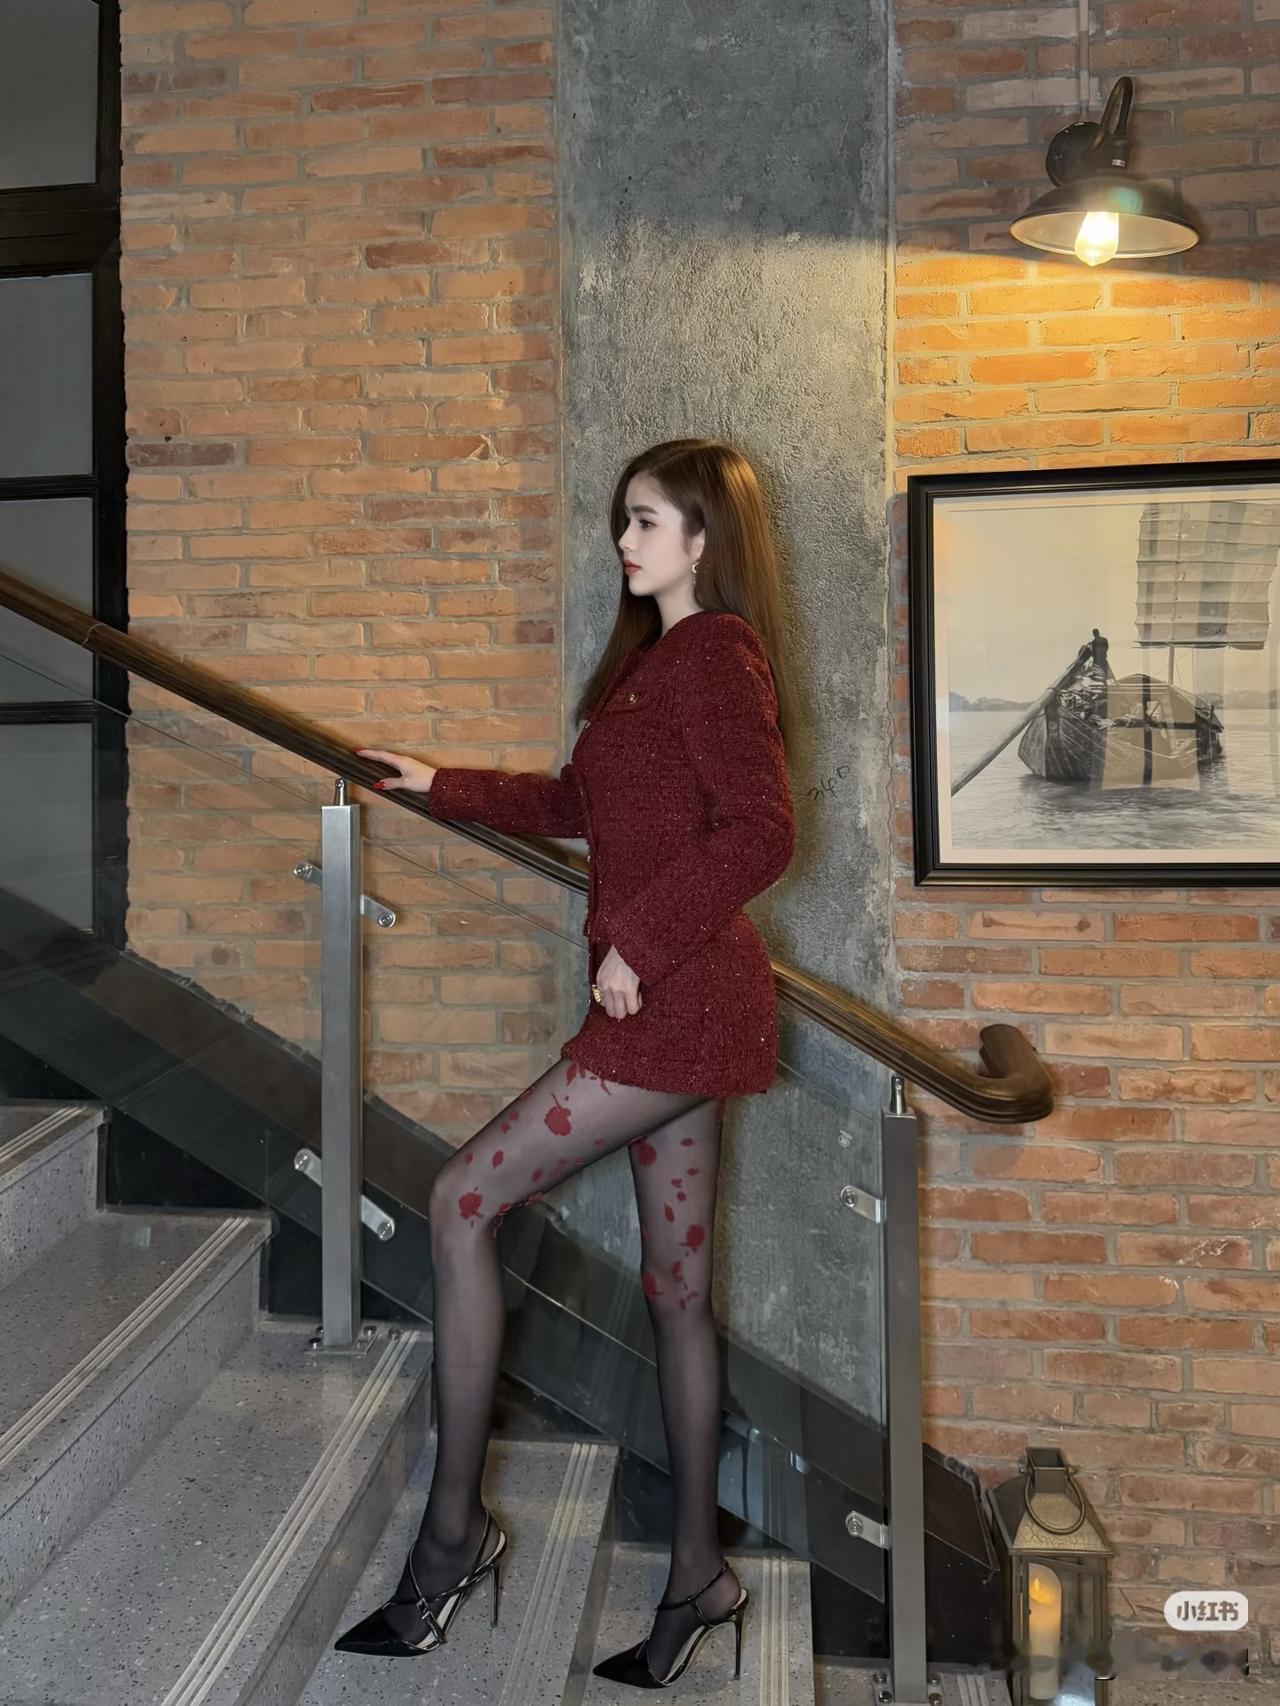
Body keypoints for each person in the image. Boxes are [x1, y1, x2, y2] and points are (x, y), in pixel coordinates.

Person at [339, 438, 796, 1689]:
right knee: (676, 1291)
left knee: (458, 1198)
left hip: (673, 1005)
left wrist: (636, 943)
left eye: (645, 520)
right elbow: (577, 806)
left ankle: (450, 1542)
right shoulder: (652, 663)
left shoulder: (716, 652)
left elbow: (763, 830)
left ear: (704, 537)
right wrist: (441, 783)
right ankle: (697, 1575)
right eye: (621, 519)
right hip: (674, 1007)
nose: (623, 539)